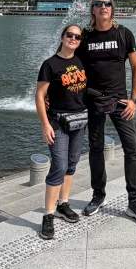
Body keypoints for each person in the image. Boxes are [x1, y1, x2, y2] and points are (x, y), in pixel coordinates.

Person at [78, 0, 136, 226]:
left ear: (113, 9)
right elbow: (72, 67)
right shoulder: (85, 36)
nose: (103, 7)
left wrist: (134, 100)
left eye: (107, 4)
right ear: (93, 10)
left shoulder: (123, 34)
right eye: (98, 4)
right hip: (94, 101)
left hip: (121, 102)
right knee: (96, 149)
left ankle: (134, 203)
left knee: (131, 149)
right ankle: (98, 196)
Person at [34, 24, 89, 240]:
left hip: (79, 121)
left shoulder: (81, 61)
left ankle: (63, 204)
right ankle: (48, 215)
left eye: (77, 37)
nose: (73, 39)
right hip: (58, 122)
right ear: (63, 37)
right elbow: (39, 96)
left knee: (72, 164)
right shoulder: (50, 64)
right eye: (70, 35)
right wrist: (45, 124)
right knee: (59, 165)